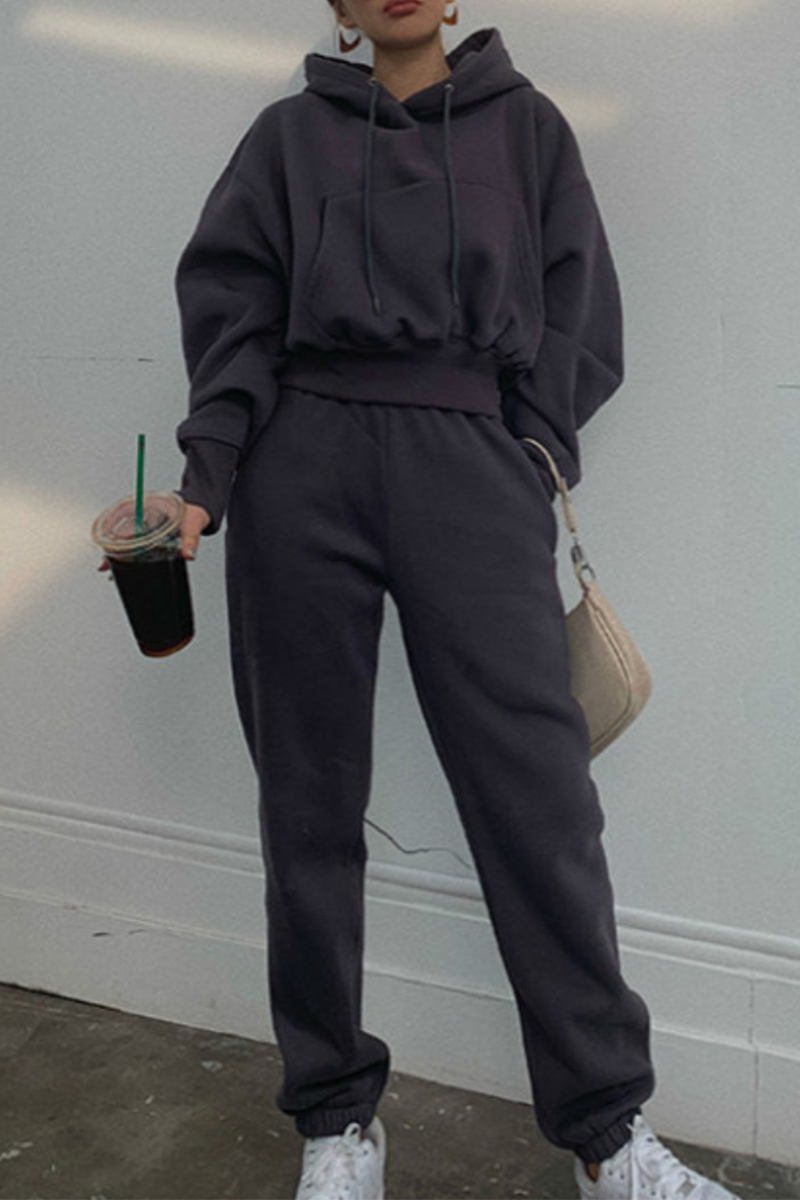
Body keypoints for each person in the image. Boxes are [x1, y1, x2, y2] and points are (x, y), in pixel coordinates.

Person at [172, 3, 742, 1198]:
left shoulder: (527, 131)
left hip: (466, 461)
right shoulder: (284, 140)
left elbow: (580, 314)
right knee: (306, 806)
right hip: (301, 465)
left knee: (538, 803)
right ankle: (335, 1123)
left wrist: (525, 452)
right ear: (335, 7)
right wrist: (208, 479)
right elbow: (234, 319)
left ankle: (606, 1135)